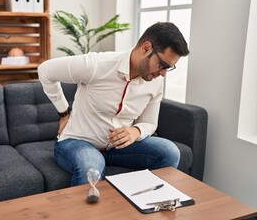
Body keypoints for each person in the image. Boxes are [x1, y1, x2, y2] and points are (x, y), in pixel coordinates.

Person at [38, 22, 190, 186]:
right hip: (77, 142)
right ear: (146, 48)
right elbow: (45, 70)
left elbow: (150, 123)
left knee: (169, 152)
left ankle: (146, 204)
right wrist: (63, 112)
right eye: (162, 65)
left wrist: (136, 131)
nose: (163, 74)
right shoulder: (97, 65)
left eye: (169, 68)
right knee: (91, 166)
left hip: (120, 148)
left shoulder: (155, 82)